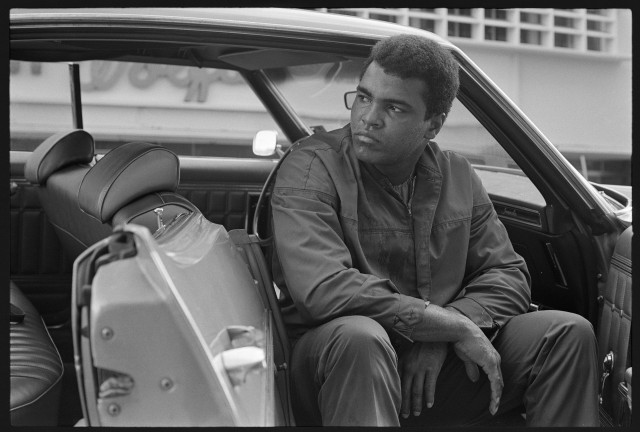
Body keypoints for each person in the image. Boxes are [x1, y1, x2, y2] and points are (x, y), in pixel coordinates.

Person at [270, 34, 599, 427]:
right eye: (362, 97)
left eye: (393, 107)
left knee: (566, 332)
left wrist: (447, 330)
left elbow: (508, 274)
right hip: (337, 369)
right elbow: (323, 290)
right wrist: (445, 326)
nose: (368, 117)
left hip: (432, 368)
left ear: (433, 124)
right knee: (360, 337)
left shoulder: (457, 175)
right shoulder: (311, 167)